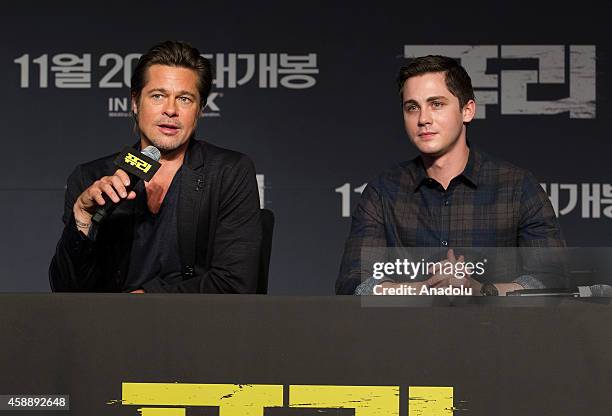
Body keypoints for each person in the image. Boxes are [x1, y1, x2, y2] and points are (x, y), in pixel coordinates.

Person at [336, 55, 567, 296]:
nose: (423, 119)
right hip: (408, 331)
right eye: (412, 107)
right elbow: (354, 283)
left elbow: (552, 279)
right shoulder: (383, 191)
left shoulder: (516, 187)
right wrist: (424, 290)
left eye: (436, 104)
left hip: (497, 331)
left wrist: (481, 291)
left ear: (467, 111)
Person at [49, 40, 262, 293]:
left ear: (200, 110)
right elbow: (67, 290)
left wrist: (149, 302)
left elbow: (235, 283)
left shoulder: (228, 172)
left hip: (199, 326)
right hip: (108, 328)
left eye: (184, 99)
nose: (170, 110)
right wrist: (83, 218)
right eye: (158, 96)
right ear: (135, 102)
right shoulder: (91, 178)